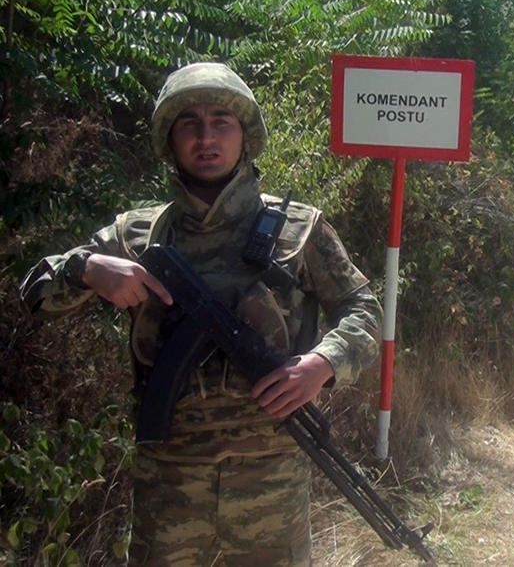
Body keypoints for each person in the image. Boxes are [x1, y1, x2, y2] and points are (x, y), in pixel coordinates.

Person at [19, 62, 383, 565]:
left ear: (245, 136)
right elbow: (35, 292)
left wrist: (323, 364)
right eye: (190, 122)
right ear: (170, 138)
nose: (206, 137)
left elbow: (365, 310)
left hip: (270, 483)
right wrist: (86, 268)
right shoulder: (138, 236)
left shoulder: (299, 231)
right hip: (169, 482)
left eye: (221, 122)